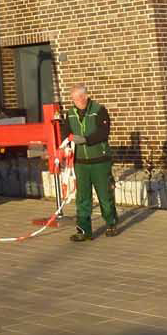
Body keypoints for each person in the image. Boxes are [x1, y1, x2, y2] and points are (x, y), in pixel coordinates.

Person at [66, 83, 118, 241]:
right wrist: (66, 145)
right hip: (80, 162)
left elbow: (103, 132)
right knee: (82, 198)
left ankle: (111, 223)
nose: (77, 101)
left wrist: (85, 140)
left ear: (86, 96)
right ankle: (83, 230)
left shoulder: (99, 110)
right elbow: (66, 133)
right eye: (74, 98)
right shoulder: (70, 114)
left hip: (99, 161)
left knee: (104, 194)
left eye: (79, 97)